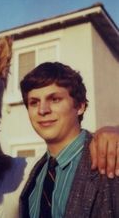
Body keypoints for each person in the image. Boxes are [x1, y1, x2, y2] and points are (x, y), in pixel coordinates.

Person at [19, 62, 119, 218]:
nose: (42, 110)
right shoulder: (33, 175)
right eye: (34, 102)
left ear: (80, 106)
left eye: (55, 99)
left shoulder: (110, 158)